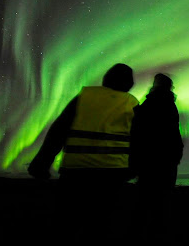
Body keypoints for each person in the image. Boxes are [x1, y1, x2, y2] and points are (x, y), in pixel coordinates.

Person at [27, 63, 139, 241]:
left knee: (65, 223)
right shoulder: (132, 103)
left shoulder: (85, 97)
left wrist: (42, 162)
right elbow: (138, 139)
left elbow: (59, 129)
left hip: (75, 171)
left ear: (106, 79)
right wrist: (133, 168)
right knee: (102, 225)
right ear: (129, 83)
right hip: (112, 173)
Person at [129, 73, 183, 242]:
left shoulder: (148, 105)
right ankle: (158, 237)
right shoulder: (170, 105)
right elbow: (174, 134)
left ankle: (141, 237)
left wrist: (134, 161)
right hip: (168, 160)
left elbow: (137, 132)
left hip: (149, 161)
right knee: (162, 204)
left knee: (144, 203)